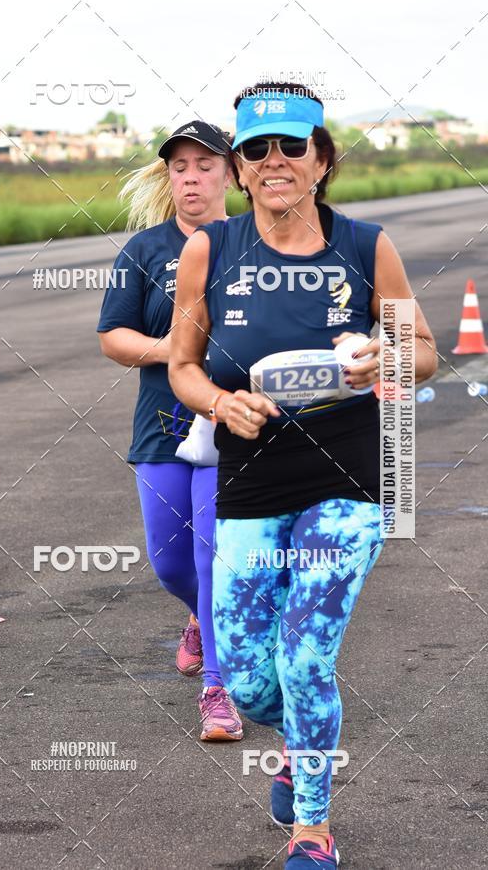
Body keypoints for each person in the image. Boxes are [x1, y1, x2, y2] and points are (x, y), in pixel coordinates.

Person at [169, 83, 437, 866]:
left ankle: (313, 826)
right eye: (256, 150)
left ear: (322, 159)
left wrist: (382, 359)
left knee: (307, 657)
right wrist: (221, 401)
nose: (275, 160)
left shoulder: (364, 246)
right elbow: (183, 366)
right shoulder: (209, 251)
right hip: (249, 487)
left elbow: (423, 351)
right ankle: (291, 745)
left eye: (292, 145)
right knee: (252, 685)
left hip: (344, 484)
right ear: (240, 170)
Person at [97, 121, 243, 741]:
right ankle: (196, 617)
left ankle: (219, 686)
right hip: (161, 426)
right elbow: (113, 337)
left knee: (214, 559)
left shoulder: (256, 245)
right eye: (179, 166)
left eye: (205, 165)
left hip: (232, 426)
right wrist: (176, 352)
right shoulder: (143, 251)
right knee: (171, 563)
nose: (192, 176)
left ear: (232, 174)